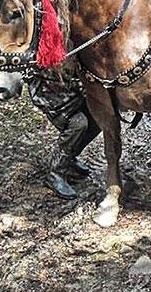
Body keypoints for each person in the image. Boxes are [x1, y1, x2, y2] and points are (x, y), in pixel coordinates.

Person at [27, 69, 101, 199]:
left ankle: (68, 158)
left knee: (98, 120)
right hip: (50, 92)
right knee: (78, 124)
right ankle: (55, 172)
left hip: (75, 91)